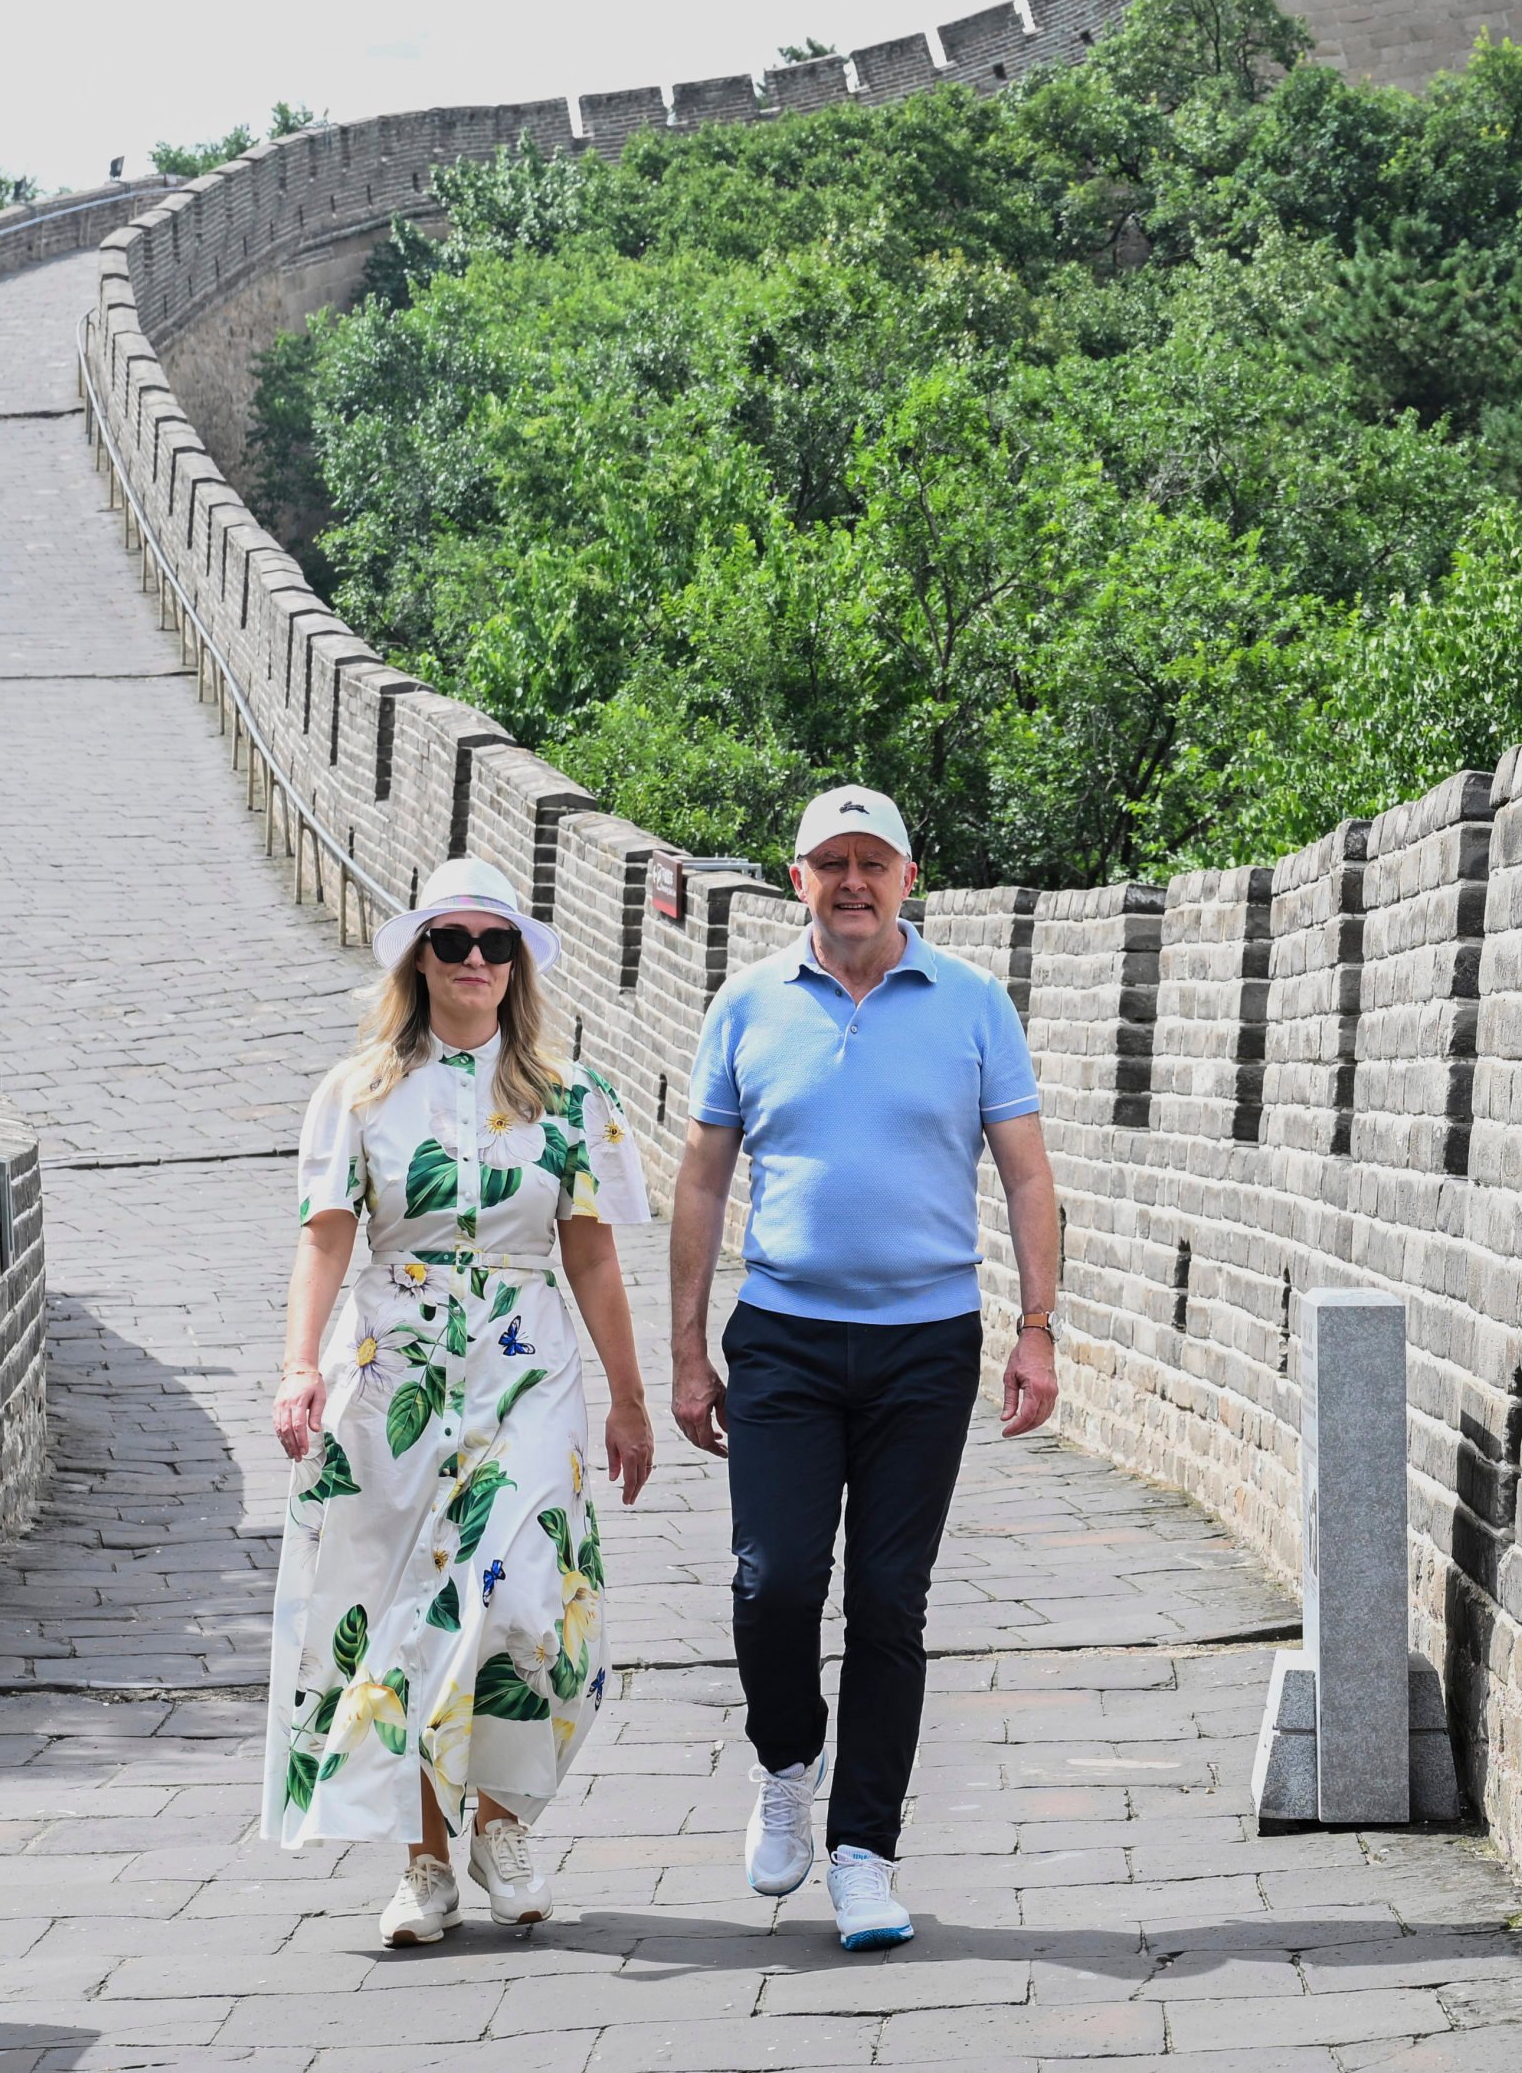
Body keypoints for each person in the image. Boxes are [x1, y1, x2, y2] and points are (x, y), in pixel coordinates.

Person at [672, 786, 1064, 1950]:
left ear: (907, 876)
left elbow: (1028, 1176)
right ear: (797, 878)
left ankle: (863, 1853)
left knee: (890, 1602)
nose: (852, 881)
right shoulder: (746, 1006)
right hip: (784, 1334)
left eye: (872, 862)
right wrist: (687, 1352)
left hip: (926, 1344)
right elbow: (700, 1181)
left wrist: (1038, 1327)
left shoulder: (972, 1004)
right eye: (829, 862)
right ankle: (787, 1762)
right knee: (775, 1581)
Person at [265, 857, 655, 1947]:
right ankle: (426, 1866)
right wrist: (300, 1365)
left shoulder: (572, 1099)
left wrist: (630, 1400)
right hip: (397, 1373)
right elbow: (326, 1238)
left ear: (518, 965)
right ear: (418, 960)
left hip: (529, 1370)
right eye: (454, 942)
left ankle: (502, 1822)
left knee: (526, 1603)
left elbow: (594, 1262)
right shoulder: (358, 1096)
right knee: (409, 1623)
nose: (476, 961)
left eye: (497, 944)